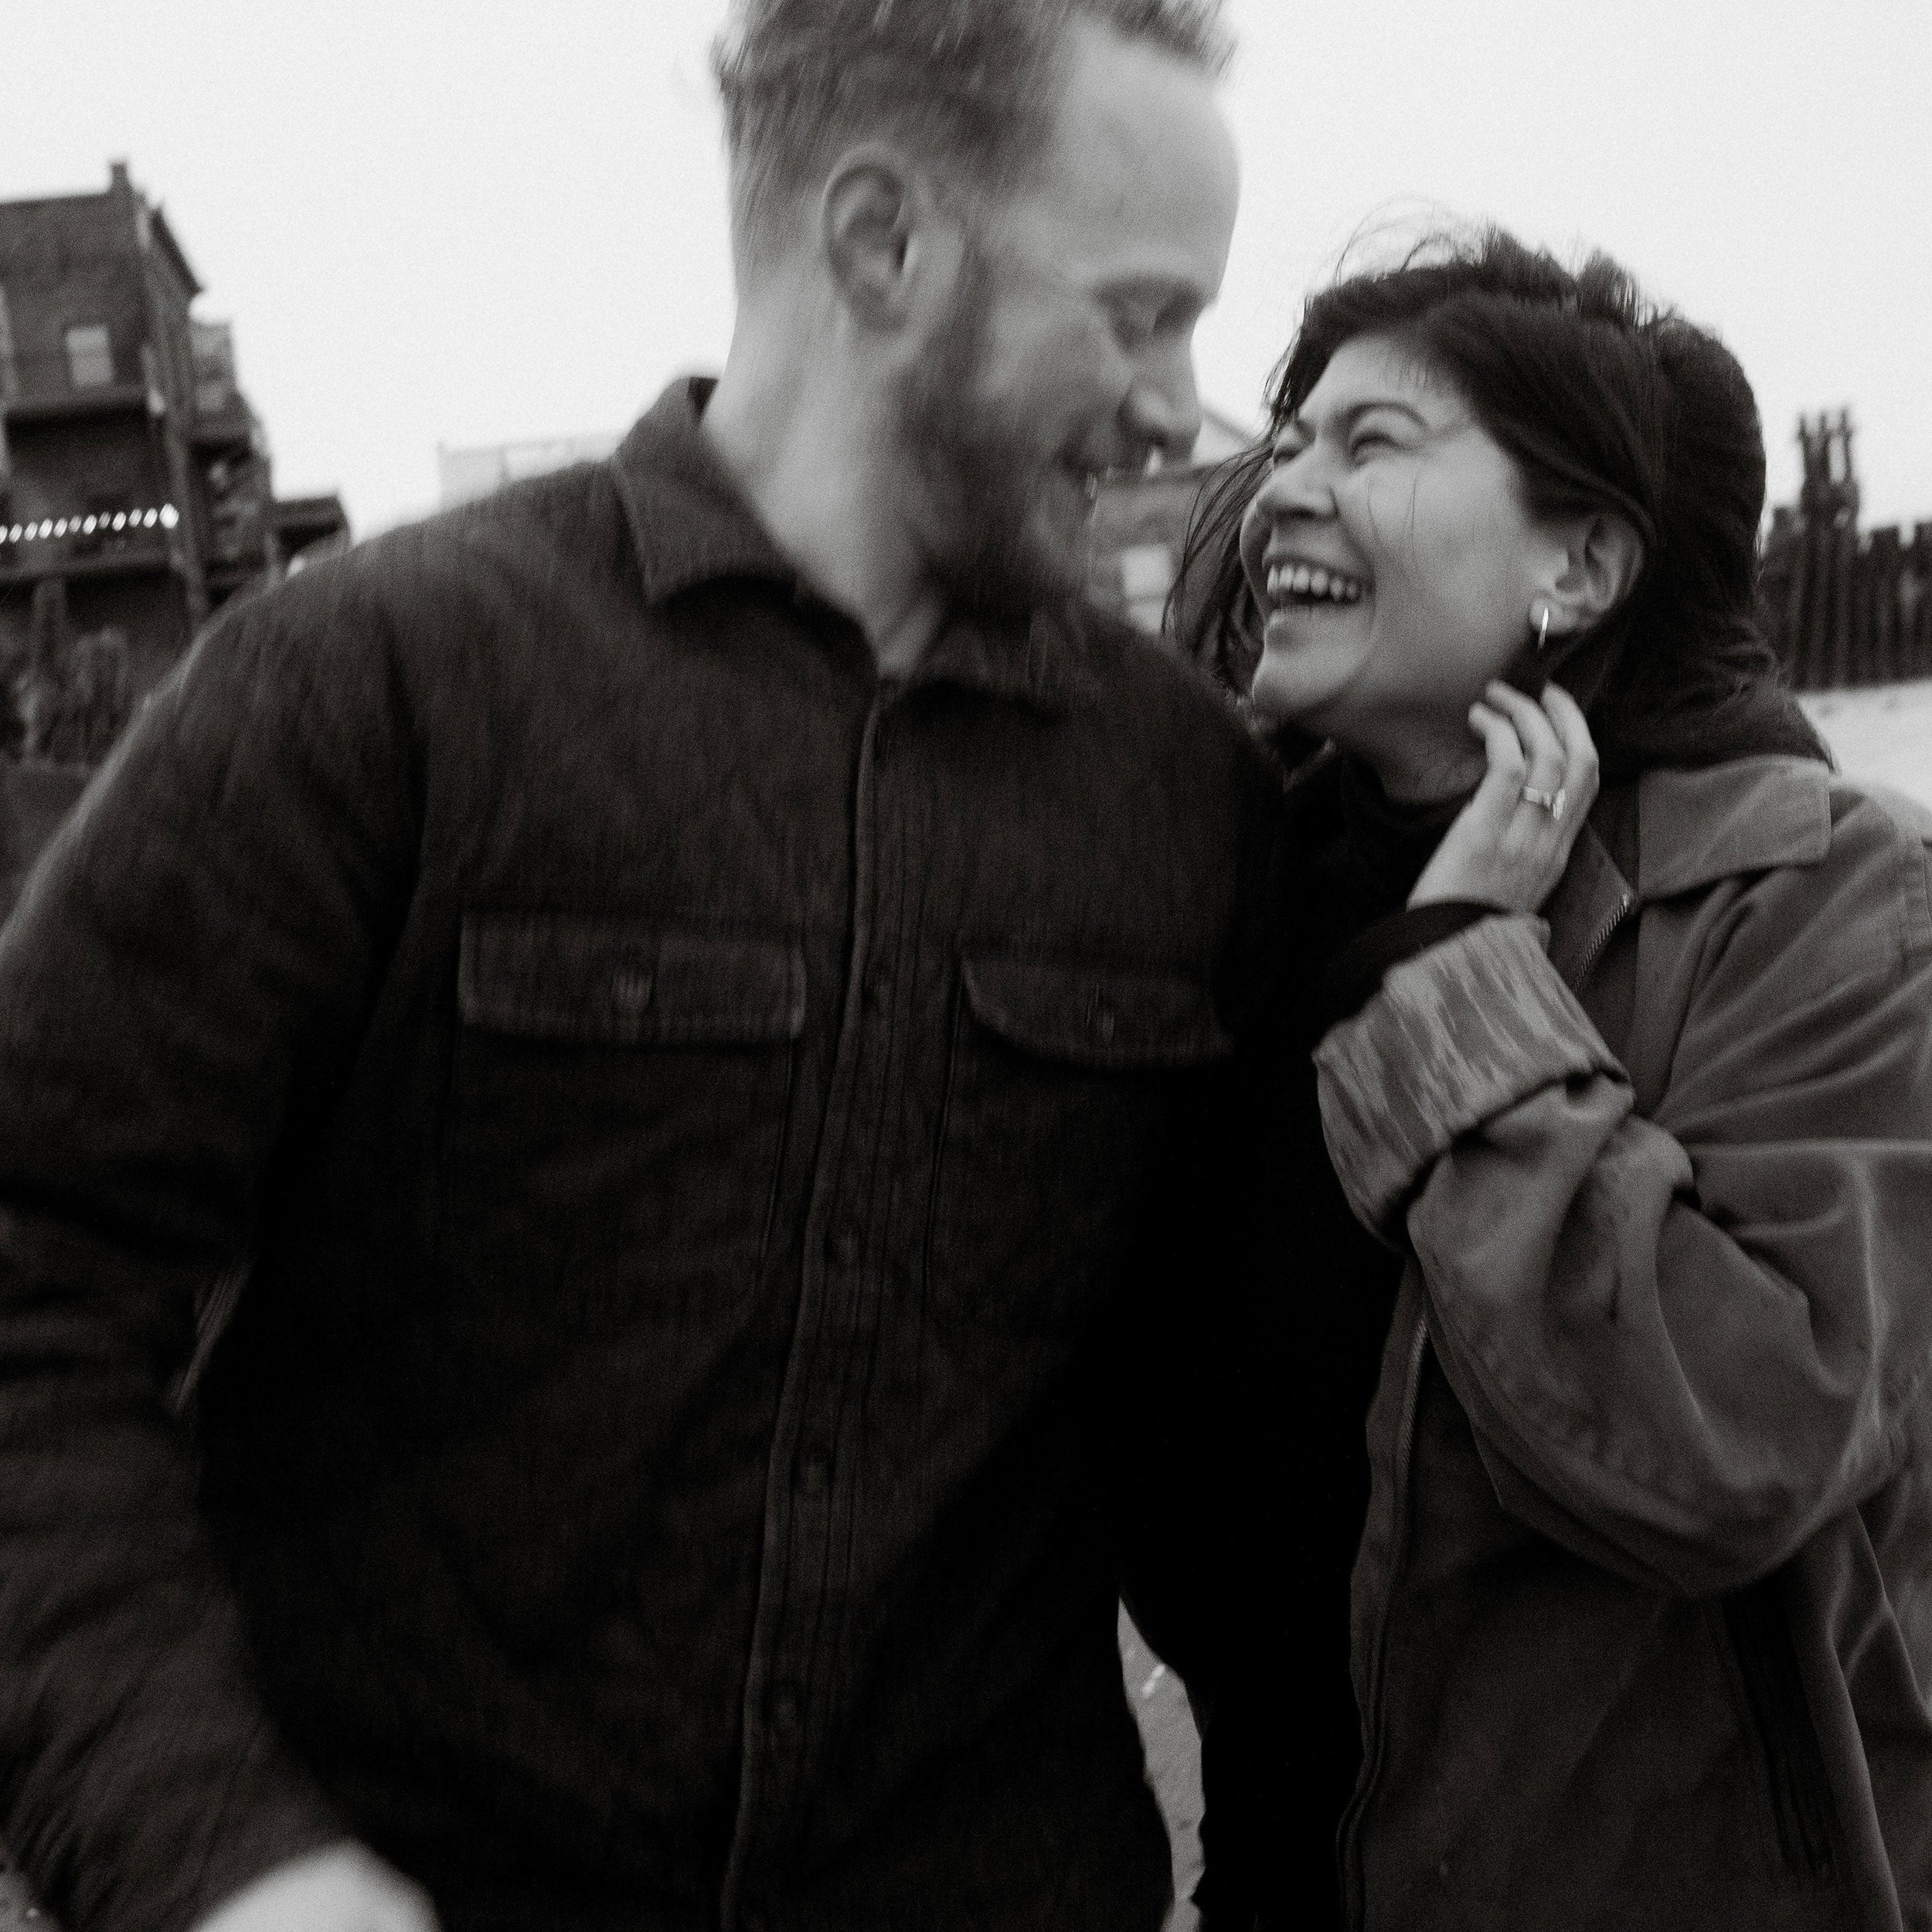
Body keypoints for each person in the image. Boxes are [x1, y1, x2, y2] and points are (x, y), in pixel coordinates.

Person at [0, 5, 1281, 1930]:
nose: (1187, 407)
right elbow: (30, 1290)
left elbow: (1225, 1473)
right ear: (879, 244)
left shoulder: (1193, 797)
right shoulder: (377, 685)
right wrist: (220, 1862)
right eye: (1138, 310)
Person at [1176, 230, 1932, 1928]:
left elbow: (1735, 1434)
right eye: (1291, 436)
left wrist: (1452, 985)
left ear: (1578, 568)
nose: (1282, 483)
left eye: (1370, 443)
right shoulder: (1216, 895)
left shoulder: (1815, 897)